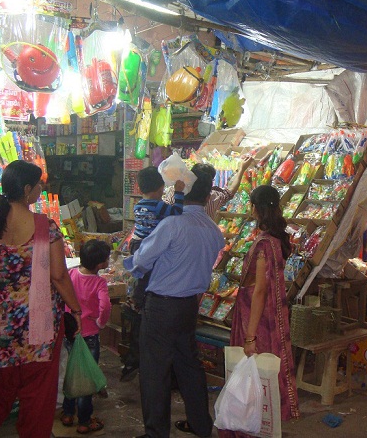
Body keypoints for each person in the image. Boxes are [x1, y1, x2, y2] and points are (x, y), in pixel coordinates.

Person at [0, 160, 82, 438]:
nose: (40, 190)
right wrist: (76, 308)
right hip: (37, 329)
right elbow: (60, 277)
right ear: (28, 189)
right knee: (37, 395)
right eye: (39, 186)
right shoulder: (44, 227)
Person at [124, 163, 225, 438]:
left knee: (155, 370)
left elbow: (142, 261)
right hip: (188, 306)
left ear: (181, 191)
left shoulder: (173, 224)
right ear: (206, 197)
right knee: (189, 366)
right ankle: (201, 425)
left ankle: (156, 432)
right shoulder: (215, 231)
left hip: (162, 305)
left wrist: (132, 263)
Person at [217, 186, 300, 438]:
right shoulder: (275, 241)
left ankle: (249, 423)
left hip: (256, 317)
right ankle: (261, 422)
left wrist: (250, 336)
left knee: (253, 369)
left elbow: (260, 291)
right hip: (267, 315)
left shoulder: (264, 243)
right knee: (261, 374)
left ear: (256, 208)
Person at [121, 167, 185, 382]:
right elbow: (176, 212)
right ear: (160, 188)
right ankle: (138, 298)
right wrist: (179, 192)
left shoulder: (139, 206)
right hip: (150, 246)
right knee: (149, 278)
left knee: (141, 275)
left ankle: (134, 298)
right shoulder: (159, 206)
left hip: (137, 244)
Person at [60, 239, 112, 433]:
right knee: (86, 378)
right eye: (107, 259)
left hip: (71, 333)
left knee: (73, 372)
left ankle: (67, 413)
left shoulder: (71, 274)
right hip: (89, 335)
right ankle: (84, 420)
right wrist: (100, 322)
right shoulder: (99, 282)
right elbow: (105, 306)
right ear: (100, 264)